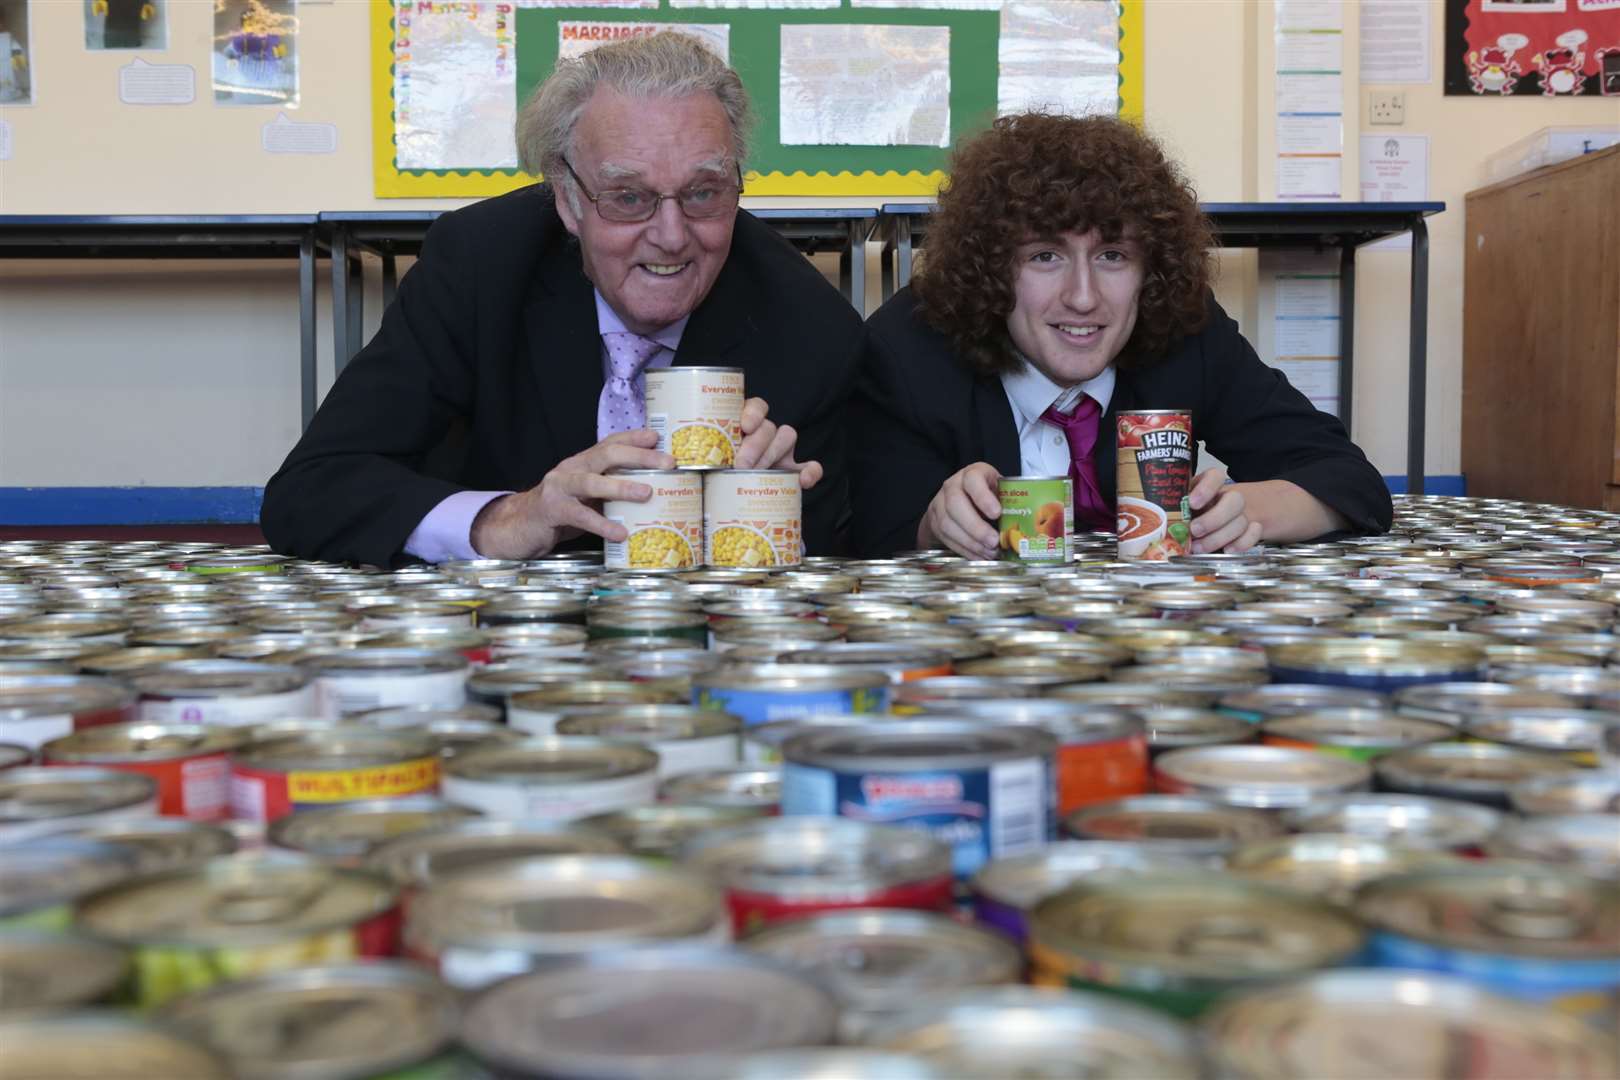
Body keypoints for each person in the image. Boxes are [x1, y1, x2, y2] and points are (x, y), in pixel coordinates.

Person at [261, 32, 860, 567]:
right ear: (568, 200)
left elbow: (844, 553)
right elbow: (312, 490)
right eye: (628, 197)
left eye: (704, 193)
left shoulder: (807, 320)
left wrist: (774, 516)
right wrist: (507, 519)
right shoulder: (480, 265)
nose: (673, 236)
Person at [849, 113, 1392, 559]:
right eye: (1044, 256)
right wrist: (934, 526)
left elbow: (1351, 483)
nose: (1083, 298)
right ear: (991, 270)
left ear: (1150, 270)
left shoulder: (1183, 329)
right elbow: (868, 535)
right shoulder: (910, 348)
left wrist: (1244, 511)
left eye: (1113, 256)